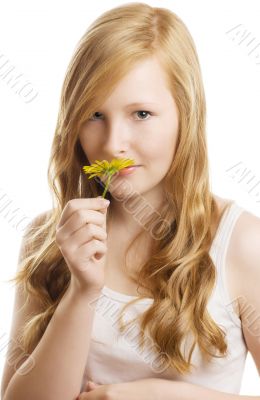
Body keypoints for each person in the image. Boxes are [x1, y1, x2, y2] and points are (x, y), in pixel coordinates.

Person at [1, 3, 260, 400]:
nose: (112, 145)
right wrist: (82, 292)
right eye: (94, 114)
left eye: (141, 113)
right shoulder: (47, 238)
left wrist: (153, 395)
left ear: (185, 117)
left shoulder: (241, 242)